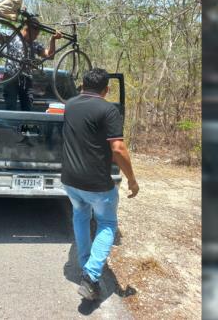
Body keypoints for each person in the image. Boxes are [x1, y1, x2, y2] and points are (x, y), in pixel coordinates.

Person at [61, 68, 139, 301]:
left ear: (82, 85)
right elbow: (118, 149)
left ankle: (86, 264)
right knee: (106, 223)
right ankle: (91, 275)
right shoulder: (109, 109)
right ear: (106, 89)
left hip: (70, 180)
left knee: (81, 216)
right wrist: (132, 180)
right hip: (96, 183)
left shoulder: (70, 104)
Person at [0, 7, 62, 111]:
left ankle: (25, 126)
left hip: (26, 80)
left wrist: (53, 40)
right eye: (35, 34)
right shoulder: (11, 36)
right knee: (10, 107)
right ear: (27, 29)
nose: (35, 37)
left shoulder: (34, 45)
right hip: (10, 77)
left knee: (27, 108)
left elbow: (50, 55)